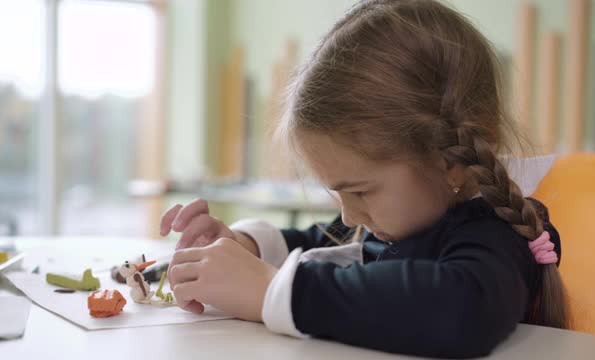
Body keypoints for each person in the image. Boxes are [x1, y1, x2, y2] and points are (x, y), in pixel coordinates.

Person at [162, 0, 570, 357]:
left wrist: (271, 292)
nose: (351, 216)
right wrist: (242, 248)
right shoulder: (399, 220)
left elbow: (460, 308)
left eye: (360, 191)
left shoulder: (497, 233)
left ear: (450, 163)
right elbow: (323, 242)